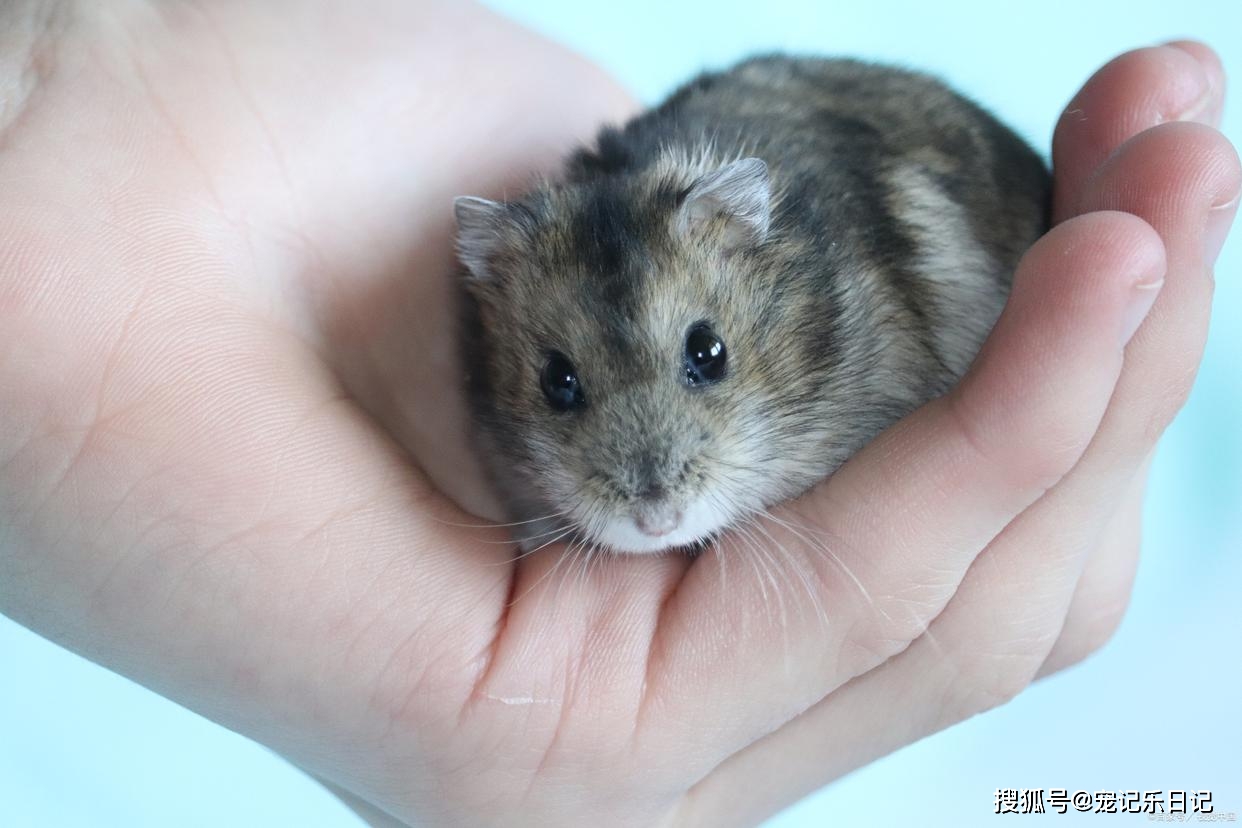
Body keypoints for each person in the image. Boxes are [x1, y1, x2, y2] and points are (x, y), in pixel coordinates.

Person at [0, 2, 1236, 825]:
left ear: (755, 277)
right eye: (567, 390)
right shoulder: (509, 296)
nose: (651, 479)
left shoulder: (821, 304)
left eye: (703, 360)